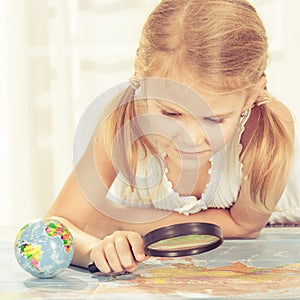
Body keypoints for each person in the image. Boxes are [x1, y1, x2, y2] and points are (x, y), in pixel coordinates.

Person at [45, 0, 299, 275]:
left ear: (252, 97)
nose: (189, 138)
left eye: (214, 120)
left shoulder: (268, 126)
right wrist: (96, 250)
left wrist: (115, 222)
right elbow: (58, 225)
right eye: (170, 113)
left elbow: (246, 228)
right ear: (142, 80)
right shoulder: (123, 123)